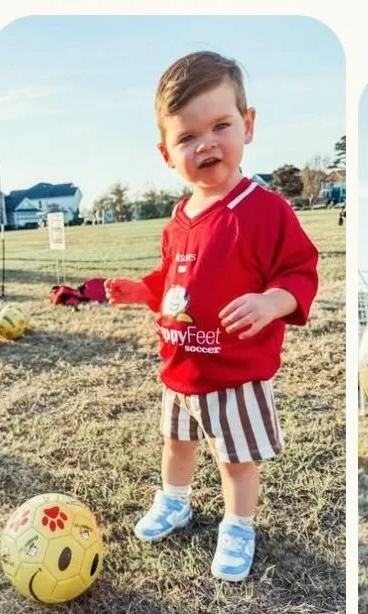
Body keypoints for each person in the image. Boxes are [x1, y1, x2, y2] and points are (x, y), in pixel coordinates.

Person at [105, 51, 319, 581]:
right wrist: (143, 290)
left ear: (248, 125)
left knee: (235, 460)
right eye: (187, 137)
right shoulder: (177, 219)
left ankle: (239, 525)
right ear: (166, 153)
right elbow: (174, 282)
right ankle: (174, 500)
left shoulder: (264, 210)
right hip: (180, 369)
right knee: (176, 442)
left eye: (221, 125)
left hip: (233, 375)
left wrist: (272, 302)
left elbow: (300, 270)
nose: (206, 144)